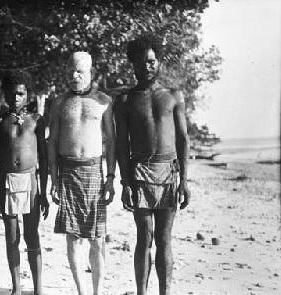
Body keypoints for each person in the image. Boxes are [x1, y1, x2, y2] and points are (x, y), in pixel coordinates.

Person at [115, 34, 191, 295]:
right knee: (143, 237)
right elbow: (122, 146)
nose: (146, 67)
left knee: (164, 238)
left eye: (150, 62)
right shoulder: (125, 101)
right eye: (140, 62)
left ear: (159, 62)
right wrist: (124, 182)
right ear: (132, 65)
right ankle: (141, 293)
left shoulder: (173, 96)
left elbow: (183, 139)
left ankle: (165, 292)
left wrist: (186, 182)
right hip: (140, 173)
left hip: (169, 172)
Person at [48, 51, 116, 295]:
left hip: (94, 173)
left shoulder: (104, 101)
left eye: (80, 71)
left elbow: (112, 142)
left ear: (91, 73)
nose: (74, 75)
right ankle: (81, 291)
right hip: (67, 172)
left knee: (97, 238)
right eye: (71, 71)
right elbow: (52, 142)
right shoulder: (59, 102)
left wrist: (110, 178)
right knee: (73, 237)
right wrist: (53, 179)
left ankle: (97, 292)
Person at [0, 71, 49, 295]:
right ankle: (16, 288)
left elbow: (43, 158)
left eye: (20, 93)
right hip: (6, 182)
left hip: (30, 181)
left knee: (32, 234)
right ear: (4, 94)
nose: (16, 97)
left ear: (28, 95)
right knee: (12, 235)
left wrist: (43, 192)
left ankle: (38, 289)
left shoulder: (36, 121)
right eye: (11, 93)